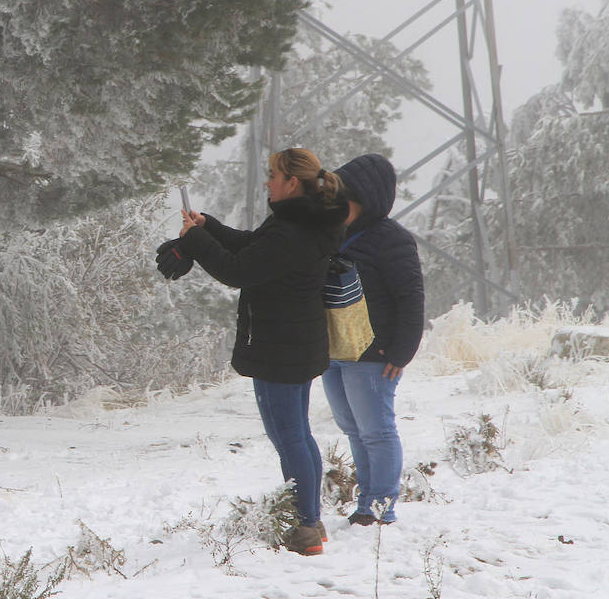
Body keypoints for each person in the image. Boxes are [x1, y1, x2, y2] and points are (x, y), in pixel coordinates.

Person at [157, 148, 346, 555]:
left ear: (291, 182)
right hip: (296, 342)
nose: (267, 182)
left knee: (289, 436)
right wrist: (209, 228)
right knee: (298, 434)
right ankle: (310, 519)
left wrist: (194, 241)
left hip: (280, 347)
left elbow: (237, 270)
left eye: (273, 175)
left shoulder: (291, 231)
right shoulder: (301, 221)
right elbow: (252, 249)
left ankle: (305, 527)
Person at [320, 154, 424, 527]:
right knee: (353, 429)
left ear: (367, 198)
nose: (333, 205)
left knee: (377, 432)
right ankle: (366, 504)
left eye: (342, 197)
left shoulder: (393, 240)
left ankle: (381, 509)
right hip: (334, 350)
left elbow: (410, 298)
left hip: (373, 353)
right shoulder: (333, 234)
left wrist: (402, 351)